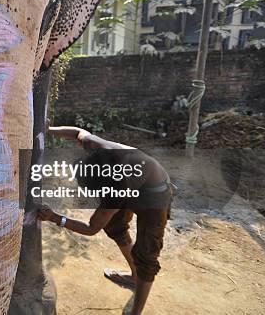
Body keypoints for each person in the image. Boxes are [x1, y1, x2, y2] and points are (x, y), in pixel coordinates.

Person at [38, 126, 172, 315]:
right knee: (115, 226)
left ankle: (136, 310)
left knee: (147, 255)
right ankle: (134, 276)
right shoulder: (95, 146)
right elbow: (77, 132)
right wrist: (47, 128)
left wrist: (55, 218)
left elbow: (92, 228)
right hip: (135, 181)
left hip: (154, 196)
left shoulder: (116, 187)